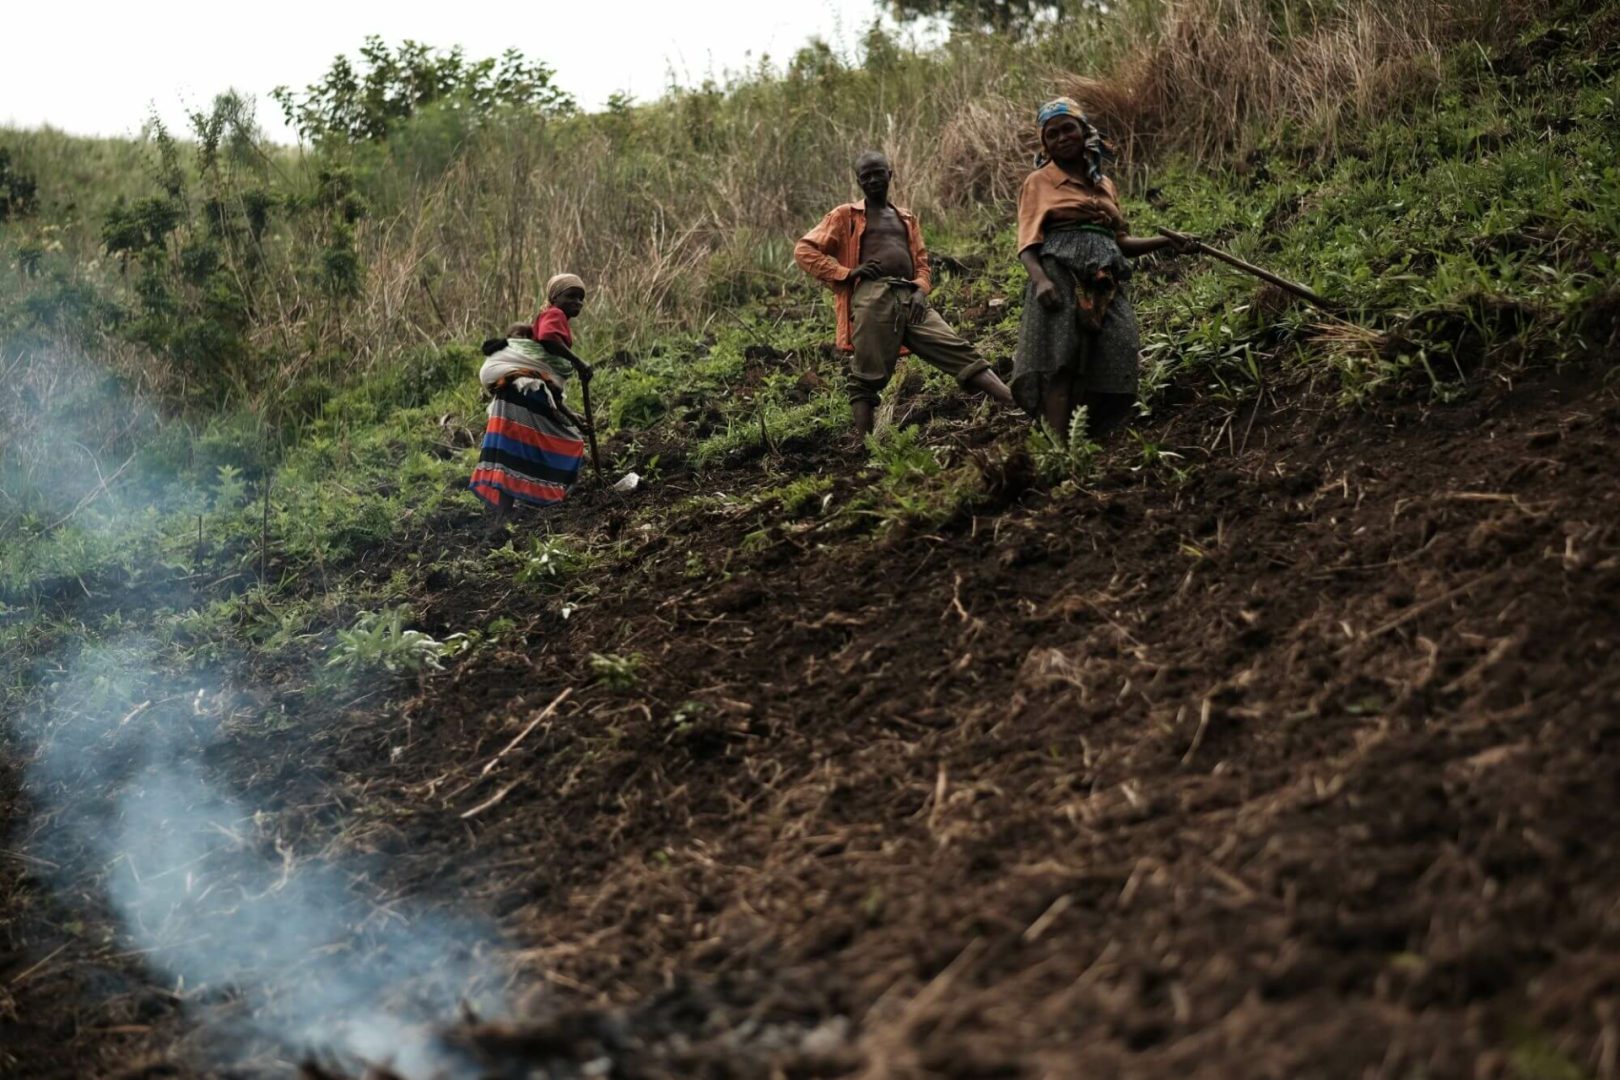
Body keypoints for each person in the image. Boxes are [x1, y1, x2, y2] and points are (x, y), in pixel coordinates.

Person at [795, 150, 1014, 438]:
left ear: (890, 174)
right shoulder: (845, 215)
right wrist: (847, 272)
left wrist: (921, 291)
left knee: (957, 349)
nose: (873, 180)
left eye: (878, 173)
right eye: (865, 176)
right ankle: (867, 448)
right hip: (873, 295)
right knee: (866, 374)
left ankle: (1014, 403)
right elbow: (804, 250)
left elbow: (922, 264)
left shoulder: (906, 218)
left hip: (911, 297)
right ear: (858, 182)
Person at [1012, 98, 1193, 442]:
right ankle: (1058, 452)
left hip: (1104, 278)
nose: (1062, 138)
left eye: (1068, 129)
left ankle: (1082, 439)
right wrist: (1041, 281)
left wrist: (1167, 242)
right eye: (1052, 134)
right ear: (1045, 144)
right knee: (1062, 363)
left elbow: (1121, 241)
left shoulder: (1104, 183)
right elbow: (1028, 242)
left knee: (1119, 349)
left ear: (1084, 131)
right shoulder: (1038, 181)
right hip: (1059, 272)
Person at [468, 274, 596, 524]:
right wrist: (578, 362)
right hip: (521, 395)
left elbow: (548, 387)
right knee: (558, 443)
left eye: (581, 298)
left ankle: (505, 516)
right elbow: (548, 337)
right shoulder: (554, 315)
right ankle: (533, 506)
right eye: (571, 296)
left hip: (522, 394)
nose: (578, 302)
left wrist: (573, 418)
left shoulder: (553, 321)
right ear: (554, 298)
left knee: (513, 451)